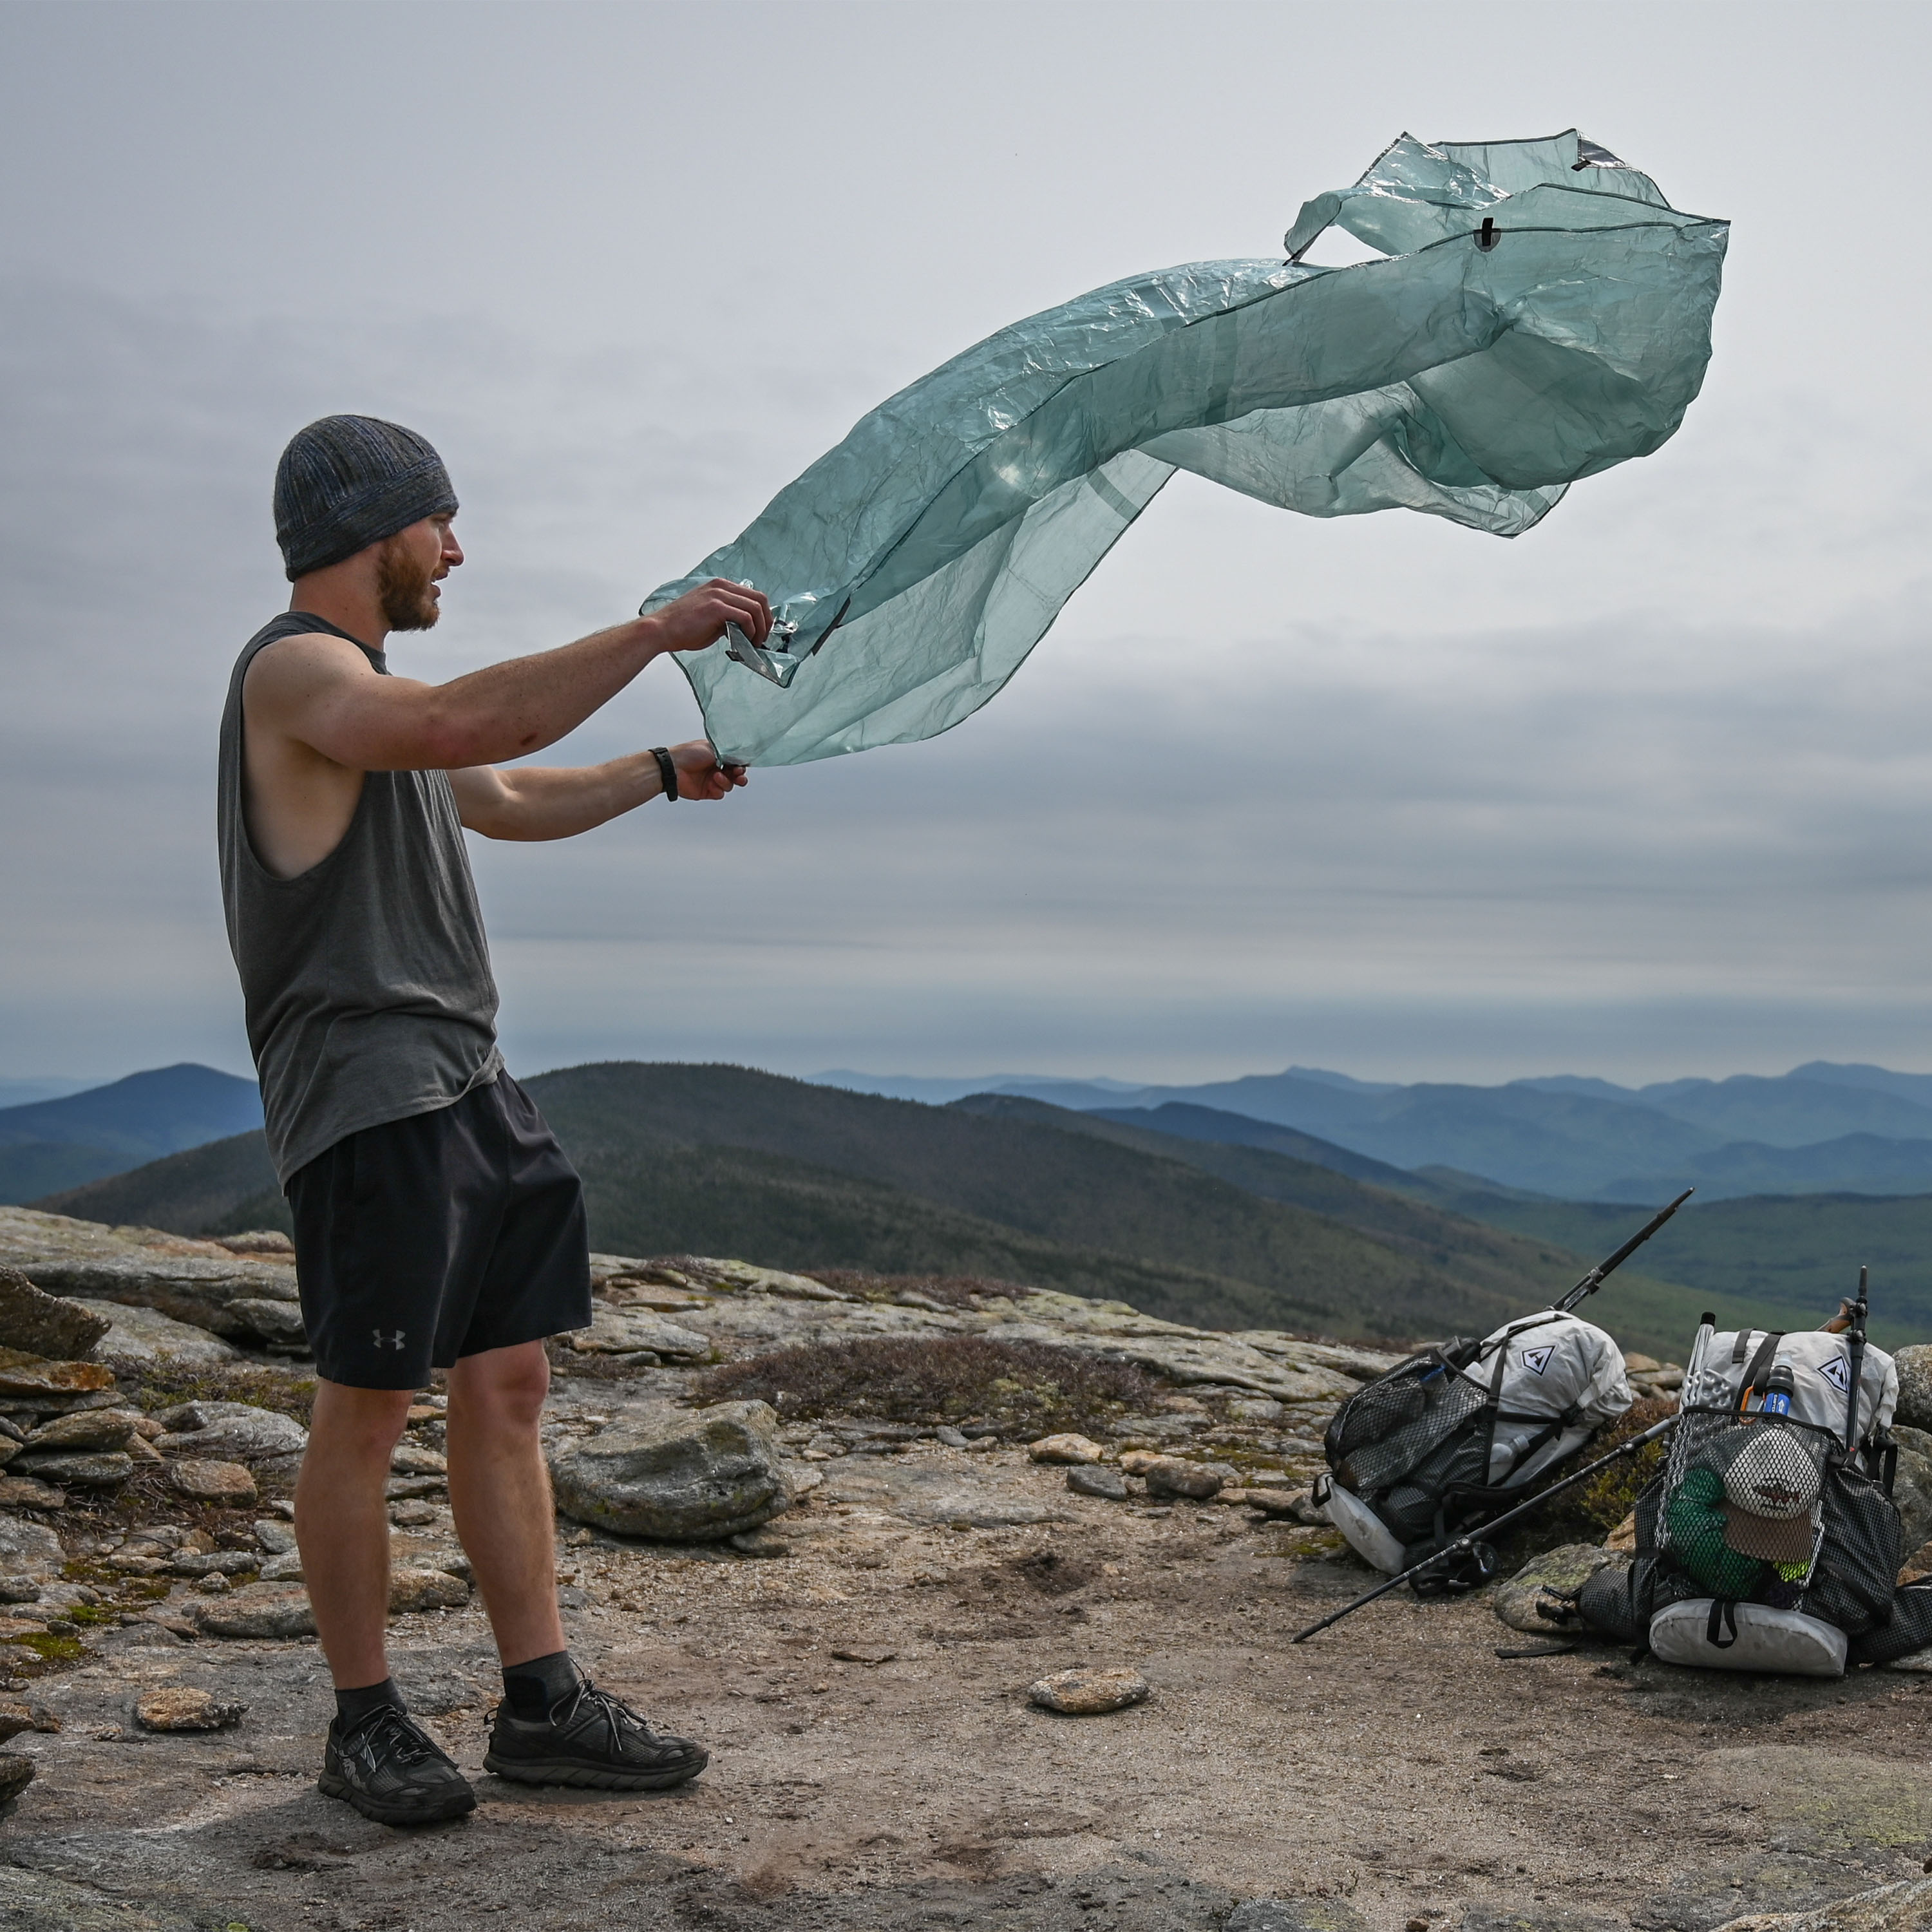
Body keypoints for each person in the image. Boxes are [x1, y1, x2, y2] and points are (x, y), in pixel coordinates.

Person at [218, 414, 772, 1826]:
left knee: (509, 1385)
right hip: (368, 1096)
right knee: (365, 1412)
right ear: (373, 530)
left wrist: (658, 771)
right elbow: (476, 724)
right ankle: (363, 1722)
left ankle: (542, 1705)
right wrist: (655, 630)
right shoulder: (299, 673)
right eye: (439, 523)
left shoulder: (374, 702)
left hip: (465, 1075)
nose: (455, 550)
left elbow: (506, 787)